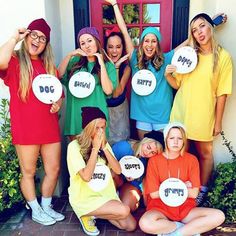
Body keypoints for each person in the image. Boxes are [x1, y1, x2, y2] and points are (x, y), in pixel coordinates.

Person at [0, 18, 65, 225]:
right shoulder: (14, 61)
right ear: (27, 36)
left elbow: (58, 93)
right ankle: (35, 208)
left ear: (47, 44)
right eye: (34, 35)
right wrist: (14, 38)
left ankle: (46, 206)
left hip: (48, 126)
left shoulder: (48, 66)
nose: (37, 40)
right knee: (28, 171)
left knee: (53, 168)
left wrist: (58, 104)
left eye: (43, 38)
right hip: (26, 127)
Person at [165, 13, 232, 205]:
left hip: (204, 113)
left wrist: (218, 122)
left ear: (211, 27)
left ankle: (201, 191)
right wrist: (168, 74)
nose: (199, 32)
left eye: (202, 26)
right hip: (181, 111)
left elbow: (222, 93)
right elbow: (178, 85)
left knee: (205, 153)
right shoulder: (188, 55)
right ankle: (177, 190)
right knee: (179, 153)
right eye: (194, 30)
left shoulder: (223, 57)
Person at [105, 0, 189, 141]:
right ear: (142, 43)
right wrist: (114, 4)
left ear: (157, 44)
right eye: (146, 41)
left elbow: (188, 43)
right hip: (142, 115)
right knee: (144, 149)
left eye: (153, 41)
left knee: (161, 151)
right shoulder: (134, 60)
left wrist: (211, 23)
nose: (149, 45)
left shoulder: (167, 59)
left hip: (162, 115)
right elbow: (124, 31)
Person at [139, 122, 225, 235]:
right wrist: (184, 186)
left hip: (185, 209)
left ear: (184, 140)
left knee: (218, 216)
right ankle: (182, 228)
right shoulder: (154, 160)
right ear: (166, 139)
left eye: (179, 138)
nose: (175, 142)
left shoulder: (192, 160)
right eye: (172, 138)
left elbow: (194, 193)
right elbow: (154, 194)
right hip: (160, 209)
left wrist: (164, 187)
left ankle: (177, 234)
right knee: (145, 223)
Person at [67, 106, 136, 236]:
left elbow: (118, 170)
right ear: (88, 127)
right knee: (124, 210)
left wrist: (103, 147)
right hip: (85, 198)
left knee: (130, 225)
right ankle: (86, 214)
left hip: (105, 195)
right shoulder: (74, 146)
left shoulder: (104, 144)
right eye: (97, 127)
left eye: (103, 127)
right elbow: (86, 177)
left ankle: (98, 213)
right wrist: (95, 148)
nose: (100, 131)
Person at [58, 27, 117, 141]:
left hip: (97, 120)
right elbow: (59, 75)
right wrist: (70, 55)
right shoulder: (74, 63)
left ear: (97, 41)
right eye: (82, 43)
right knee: (77, 155)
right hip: (75, 117)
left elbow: (108, 90)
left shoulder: (108, 65)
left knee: (97, 155)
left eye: (90, 41)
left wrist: (101, 63)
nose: (87, 45)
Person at [112, 138, 163, 212]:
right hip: (114, 178)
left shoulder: (147, 161)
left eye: (152, 152)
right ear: (144, 141)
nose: (147, 153)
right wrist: (119, 171)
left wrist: (133, 178)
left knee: (127, 207)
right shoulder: (123, 147)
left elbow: (140, 182)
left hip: (129, 184)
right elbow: (106, 164)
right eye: (148, 147)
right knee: (112, 173)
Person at [104, 26, 131, 145]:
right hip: (104, 111)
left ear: (123, 48)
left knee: (121, 145)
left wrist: (116, 67)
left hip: (120, 112)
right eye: (110, 47)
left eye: (118, 47)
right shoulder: (101, 66)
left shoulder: (126, 68)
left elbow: (116, 93)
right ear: (105, 48)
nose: (114, 51)